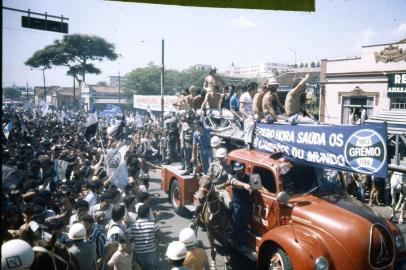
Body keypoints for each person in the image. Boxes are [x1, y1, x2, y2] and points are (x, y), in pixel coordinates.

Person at [129, 204, 161, 270]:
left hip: (138, 253)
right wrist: (156, 244)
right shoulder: (153, 225)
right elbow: (160, 236)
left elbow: (130, 239)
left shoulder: (132, 226)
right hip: (151, 253)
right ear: (148, 214)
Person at [230, 162, 252, 251]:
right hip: (237, 204)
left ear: (243, 169)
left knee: (245, 223)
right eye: (236, 170)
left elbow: (258, 184)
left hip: (246, 203)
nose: (238, 172)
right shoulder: (234, 177)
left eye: (239, 170)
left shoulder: (249, 177)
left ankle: (242, 240)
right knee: (237, 223)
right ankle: (237, 241)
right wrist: (244, 185)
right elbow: (233, 182)